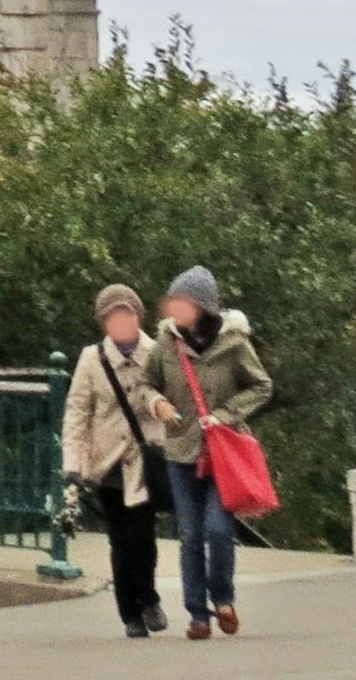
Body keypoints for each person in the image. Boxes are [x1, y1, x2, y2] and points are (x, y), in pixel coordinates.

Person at [141, 265, 273, 642]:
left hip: (223, 452)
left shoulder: (234, 342)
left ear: (203, 307)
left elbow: (262, 386)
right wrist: (158, 405)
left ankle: (224, 598)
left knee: (217, 530)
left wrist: (225, 415)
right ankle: (198, 615)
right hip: (181, 451)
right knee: (190, 535)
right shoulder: (166, 343)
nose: (174, 310)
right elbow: (146, 386)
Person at [63, 282, 175, 638]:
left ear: (137, 317)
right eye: (112, 317)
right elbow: (77, 414)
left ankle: (149, 597)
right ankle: (130, 614)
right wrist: (73, 467)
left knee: (142, 533)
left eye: (126, 314)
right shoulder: (91, 358)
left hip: (144, 459)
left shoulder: (158, 353)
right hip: (106, 462)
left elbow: (173, 401)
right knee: (120, 538)